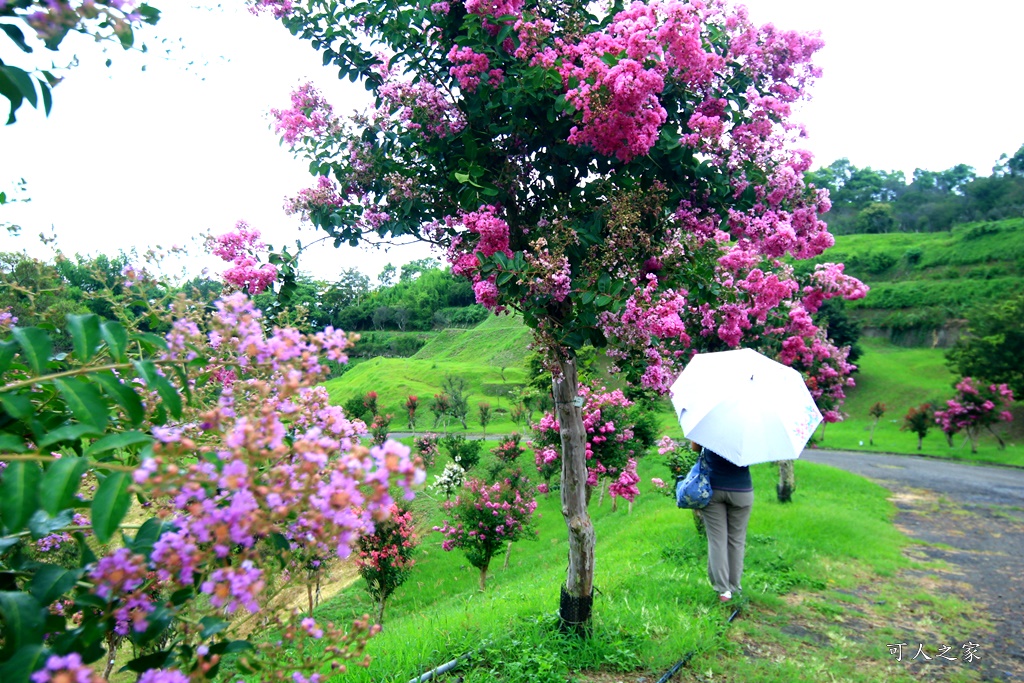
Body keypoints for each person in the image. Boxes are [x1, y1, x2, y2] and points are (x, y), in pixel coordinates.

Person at [697, 443, 753, 603]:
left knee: (717, 541)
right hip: (742, 491)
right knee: (736, 541)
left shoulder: (708, 424)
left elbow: (695, 448)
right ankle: (734, 587)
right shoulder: (750, 430)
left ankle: (723, 590)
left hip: (713, 489)